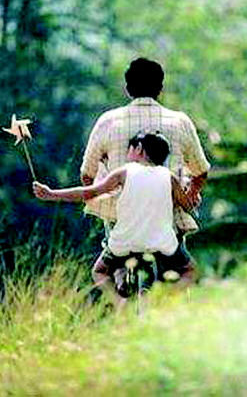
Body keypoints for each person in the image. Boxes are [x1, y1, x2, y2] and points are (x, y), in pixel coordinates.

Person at [80, 57, 210, 283]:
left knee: (106, 269)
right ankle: (171, 298)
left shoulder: (108, 121)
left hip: (121, 220)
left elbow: (87, 175)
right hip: (168, 220)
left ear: (128, 88)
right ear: (160, 88)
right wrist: (189, 195)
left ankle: (121, 292)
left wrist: (103, 199)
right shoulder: (180, 122)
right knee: (184, 271)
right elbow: (201, 172)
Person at [33, 132, 195, 300]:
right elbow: (188, 205)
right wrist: (187, 191)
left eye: (129, 149)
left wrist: (51, 193)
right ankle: (162, 298)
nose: (127, 155)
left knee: (99, 271)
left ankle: (120, 305)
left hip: (124, 243)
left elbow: (89, 193)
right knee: (190, 270)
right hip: (161, 243)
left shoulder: (124, 172)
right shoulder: (169, 177)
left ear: (139, 148)